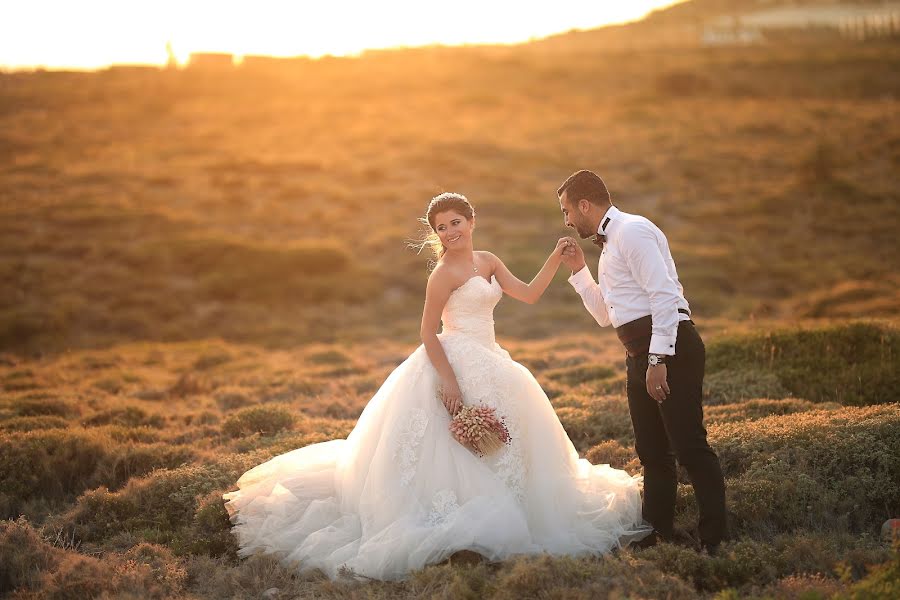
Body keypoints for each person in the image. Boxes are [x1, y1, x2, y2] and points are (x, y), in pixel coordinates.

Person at [222, 192, 652, 581]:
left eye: (455, 223)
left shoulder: (488, 261)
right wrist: (449, 381)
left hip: (492, 360)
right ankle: (459, 526)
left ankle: (516, 511)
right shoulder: (442, 275)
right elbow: (428, 332)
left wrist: (557, 260)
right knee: (445, 451)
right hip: (451, 361)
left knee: (507, 441)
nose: (449, 232)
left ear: (471, 221)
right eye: (441, 227)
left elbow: (528, 294)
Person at [557, 169, 728, 555]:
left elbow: (664, 296)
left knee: (690, 447)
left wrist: (657, 359)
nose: (567, 220)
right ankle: (658, 534)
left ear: (585, 205)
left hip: (670, 350)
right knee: (652, 452)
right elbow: (607, 315)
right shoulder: (608, 244)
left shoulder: (632, 232)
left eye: (568, 211)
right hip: (638, 354)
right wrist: (579, 271)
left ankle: (714, 540)